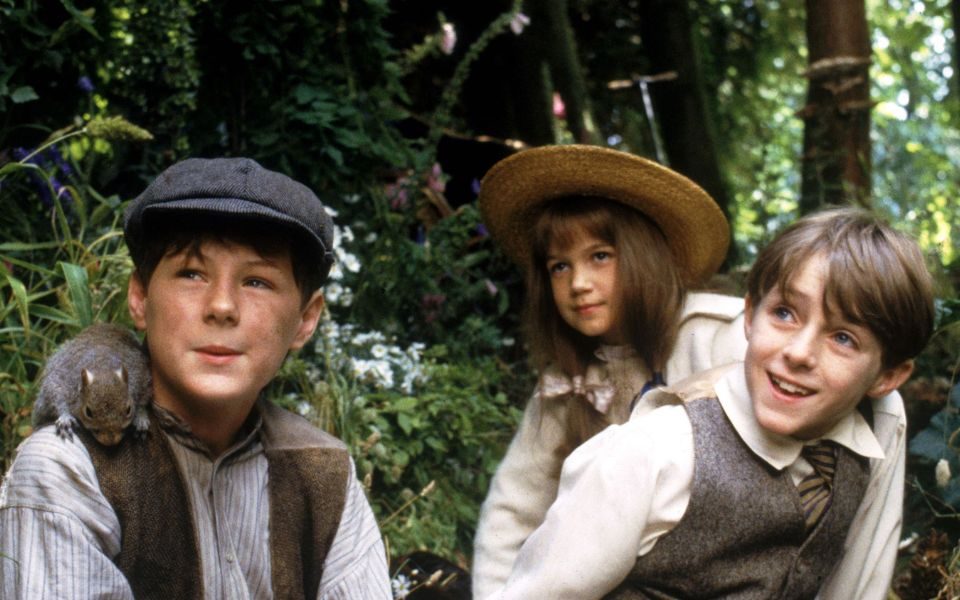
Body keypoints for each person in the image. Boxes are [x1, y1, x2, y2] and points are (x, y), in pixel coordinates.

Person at [492, 207, 934, 599]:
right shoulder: (650, 447)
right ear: (752, 314)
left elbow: (858, 578)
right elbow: (516, 516)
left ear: (888, 375)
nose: (799, 352)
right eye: (784, 313)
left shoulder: (713, 333)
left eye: (842, 337)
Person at [0, 157, 392, 599]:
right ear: (139, 297)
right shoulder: (67, 469)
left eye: (258, 281)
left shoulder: (323, 471)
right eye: (191, 273)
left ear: (306, 319)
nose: (221, 306)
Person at [472, 144, 749, 599]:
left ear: (642, 255)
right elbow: (511, 513)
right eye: (560, 266)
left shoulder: (717, 334)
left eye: (600, 256)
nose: (578, 283)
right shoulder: (569, 384)